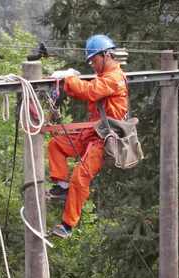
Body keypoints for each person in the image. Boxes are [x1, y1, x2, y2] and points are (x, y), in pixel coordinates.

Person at [48, 34, 128, 238]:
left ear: (106, 55)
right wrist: (66, 81)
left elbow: (89, 92)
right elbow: (83, 91)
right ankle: (62, 186)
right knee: (56, 145)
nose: (92, 64)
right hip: (92, 132)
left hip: (104, 138)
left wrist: (69, 77)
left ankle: (67, 225)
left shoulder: (114, 78)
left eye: (94, 60)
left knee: (80, 176)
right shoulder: (103, 77)